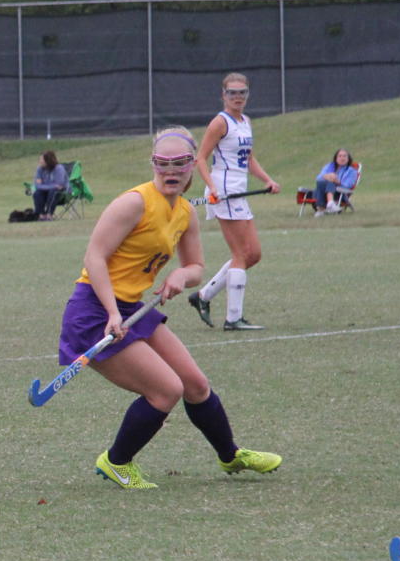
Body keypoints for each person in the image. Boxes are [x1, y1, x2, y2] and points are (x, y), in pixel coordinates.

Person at [56, 126, 281, 491]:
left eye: (179, 163)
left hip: (134, 309)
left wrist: (181, 276)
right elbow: (94, 257)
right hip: (96, 312)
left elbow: (196, 267)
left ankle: (230, 455)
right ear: (153, 164)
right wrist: (112, 313)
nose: (170, 171)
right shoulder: (134, 203)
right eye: (162, 163)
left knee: (195, 384)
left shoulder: (185, 212)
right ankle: (116, 462)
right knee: (166, 391)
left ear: (193, 164)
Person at [186, 72, 280, 331]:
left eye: (242, 92)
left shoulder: (246, 121)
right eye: (232, 93)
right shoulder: (220, 122)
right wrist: (212, 187)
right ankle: (233, 318)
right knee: (241, 254)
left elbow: (248, 159)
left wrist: (267, 180)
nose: (237, 97)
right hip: (224, 191)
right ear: (223, 95)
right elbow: (201, 159)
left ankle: (203, 297)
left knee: (254, 254)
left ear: (248, 94)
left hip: (239, 190)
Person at [312, 148, 357, 216]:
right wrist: (326, 176)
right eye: (340, 156)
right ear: (336, 158)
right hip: (323, 190)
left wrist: (337, 182)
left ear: (348, 159)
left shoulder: (351, 171)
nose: (342, 158)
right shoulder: (329, 166)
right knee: (321, 182)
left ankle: (322, 208)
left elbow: (348, 185)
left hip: (339, 193)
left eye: (345, 156)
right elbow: (318, 178)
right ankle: (329, 204)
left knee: (330, 182)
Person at [32, 150, 68, 220]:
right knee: (37, 192)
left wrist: (45, 186)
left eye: (42, 159)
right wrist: (52, 186)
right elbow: (37, 185)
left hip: (61, 195)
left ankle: (49, 214)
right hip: (44, 193)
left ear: (48, 160)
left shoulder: (59, 168)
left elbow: (60, 185)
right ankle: (41, 215)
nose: (40, 161)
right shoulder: (39, 169)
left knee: (53, 191)